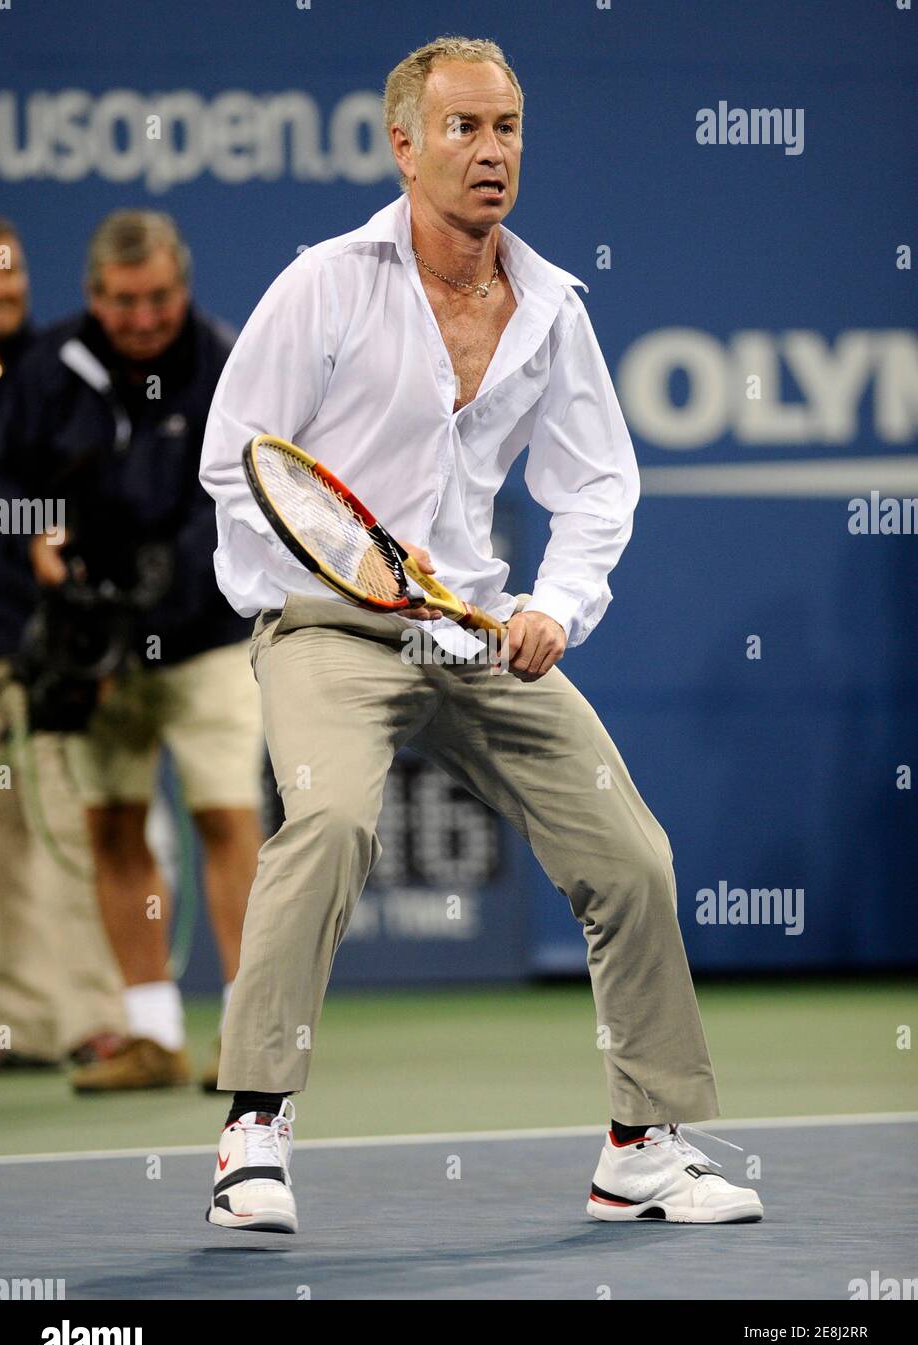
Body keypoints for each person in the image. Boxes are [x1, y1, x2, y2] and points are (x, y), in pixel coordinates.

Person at [199, 36, 763, 1233]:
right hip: (330, 632)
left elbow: (599, 483)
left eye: (506, 126)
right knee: (335, 821)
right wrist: (354, 573)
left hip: (474, 630)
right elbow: (238, 460)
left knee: (633, 858)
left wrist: (554, 605)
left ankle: (642, 1148)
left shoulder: (552, 309)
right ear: (404, 145)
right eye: (464, 128)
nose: (492, 150)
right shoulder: (325, 283)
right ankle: (255, 1123)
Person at [0, 210, 264, 1091]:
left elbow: (237, 499)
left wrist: (154, 591)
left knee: (226, 817)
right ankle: (150, 1033)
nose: (142, 318)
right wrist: (42, 544)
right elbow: (6, 484)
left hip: (205, 642)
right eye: (122, 302)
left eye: (156, 299)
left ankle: (246, 1030)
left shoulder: (225, 366)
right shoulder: (49, 369)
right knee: (112, 825)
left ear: (181, 289)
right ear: (92, 296)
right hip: (98, 652)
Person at [0, 214, 126, 1072]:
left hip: (45, 647)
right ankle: (19, 1023)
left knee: (71, 827)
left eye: (12, 277)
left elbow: (96, 494)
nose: (5, 292)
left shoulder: (59, 374)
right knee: (3, 836)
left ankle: (94, 1019)